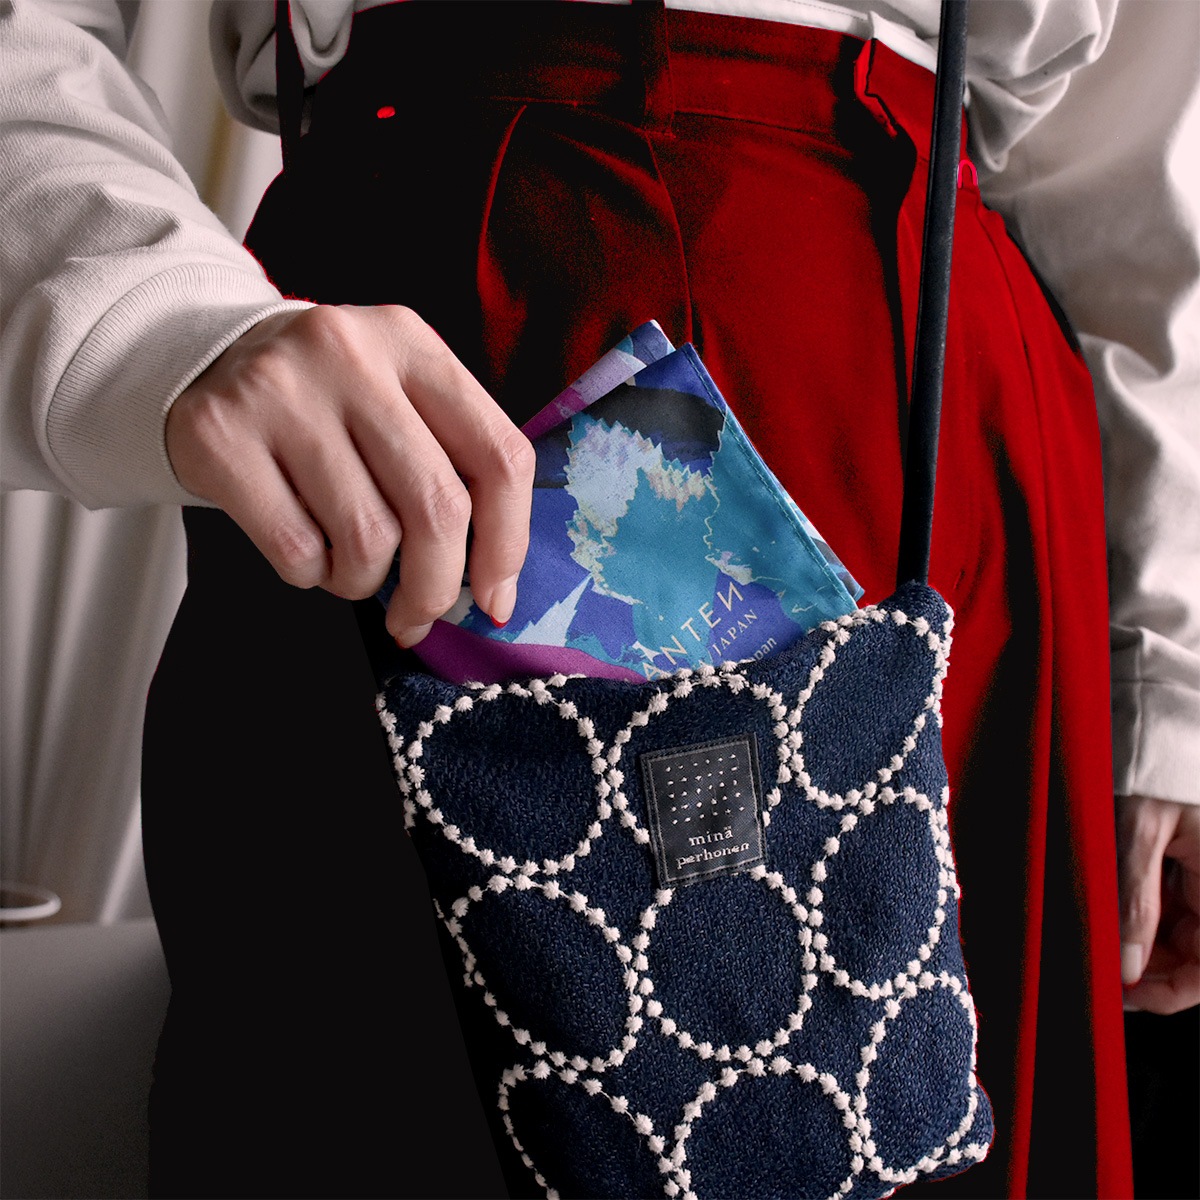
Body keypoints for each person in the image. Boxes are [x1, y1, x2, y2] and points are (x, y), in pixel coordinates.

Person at [2, 0, 1197, 1196]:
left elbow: (1129, 145)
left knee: (911, 1109)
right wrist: (165, 318)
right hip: (391, 399)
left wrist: (1168, 675)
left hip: (915, 362)